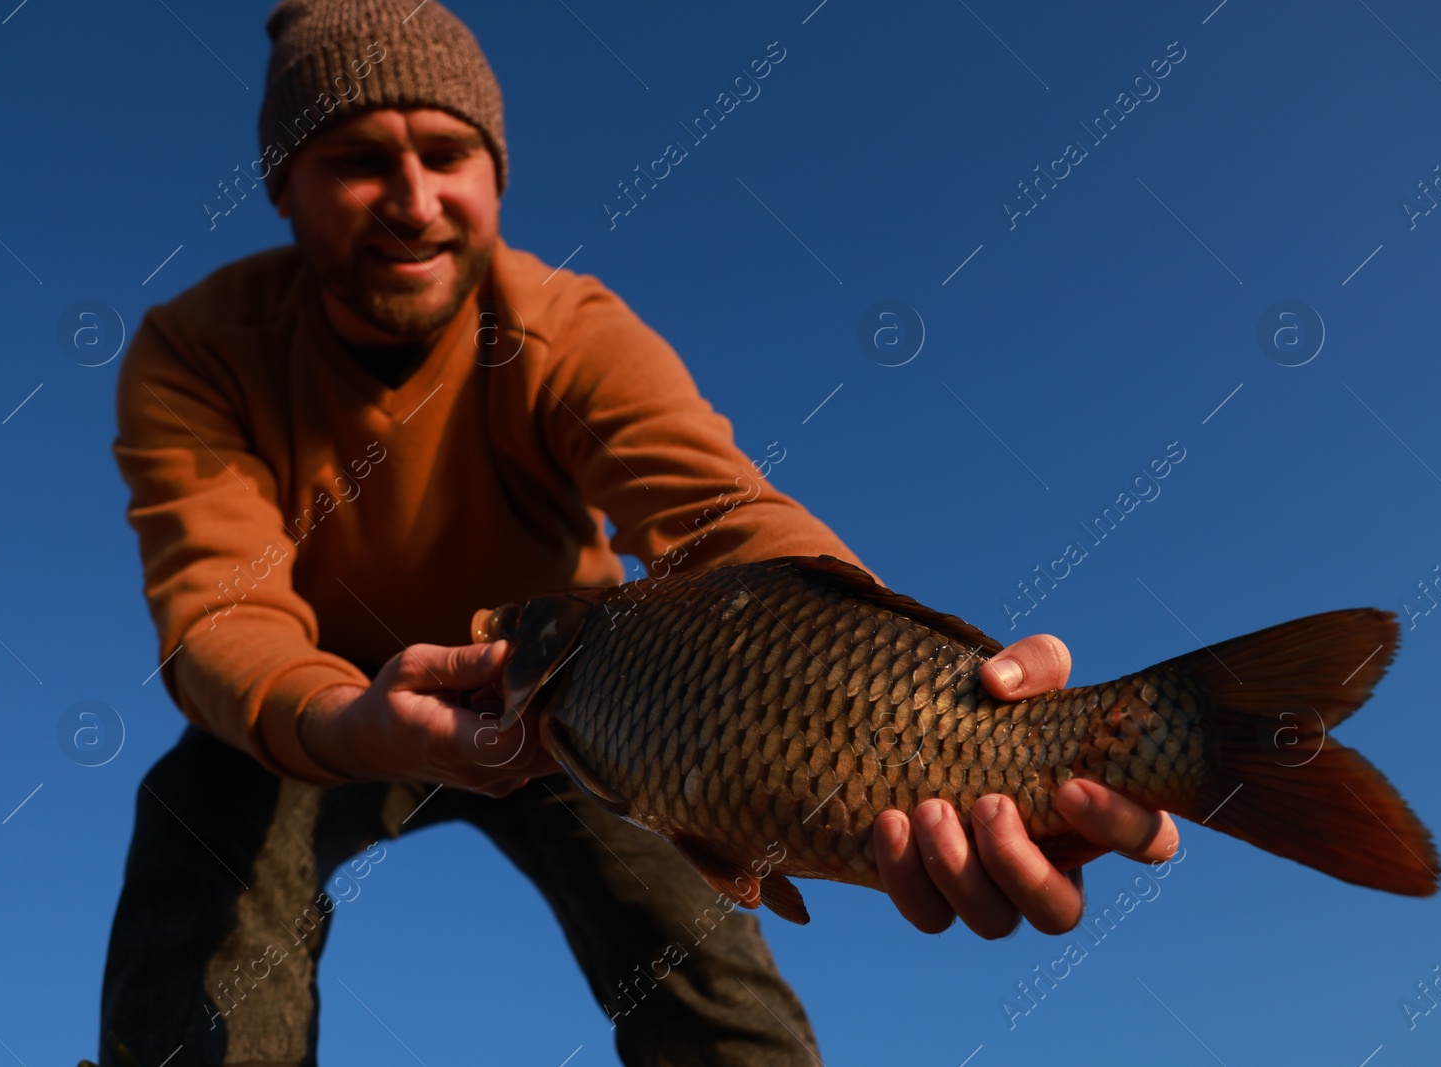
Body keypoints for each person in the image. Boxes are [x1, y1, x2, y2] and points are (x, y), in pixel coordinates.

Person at [96, 2, 1179, 1064]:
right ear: (285, 182)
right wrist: (341, 718)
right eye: (357, 159)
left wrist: (910, 687)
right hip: (322, 699)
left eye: (447, 153)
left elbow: (715, 513)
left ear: (496, 174)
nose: (413, 201)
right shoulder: (195, 352)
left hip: (585, 691)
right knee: (197, 815)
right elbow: (221, 607)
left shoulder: (560, 325)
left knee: (704, 969)